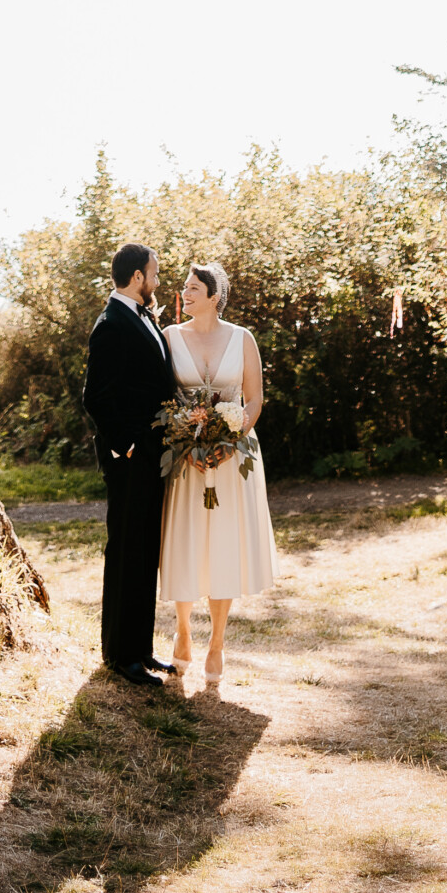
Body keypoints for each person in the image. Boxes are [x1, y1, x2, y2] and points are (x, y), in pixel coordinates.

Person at [160, 262, 277, 683]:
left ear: (214, 295)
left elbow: (254, 401)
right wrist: (185, 442)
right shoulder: (169, 337)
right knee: (187, 541)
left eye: (193, 288)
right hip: (185, 459)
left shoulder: (242, 339)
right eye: (183, 288)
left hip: (233, 460)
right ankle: (184, 631)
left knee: (225, 544)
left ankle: (217, 643)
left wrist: (230, 441)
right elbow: (165, 400)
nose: (184, 294)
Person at [82, 241, 179, 686]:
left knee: (144, 550)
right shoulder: (111, 324)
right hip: (130, 459)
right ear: (137, 277)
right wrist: (126, 447)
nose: (157, 282)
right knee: (125, 550)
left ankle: (141, 649)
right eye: (154, 274)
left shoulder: (141, 318)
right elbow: (97, 398)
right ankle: (120, 655)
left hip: (152, 457)